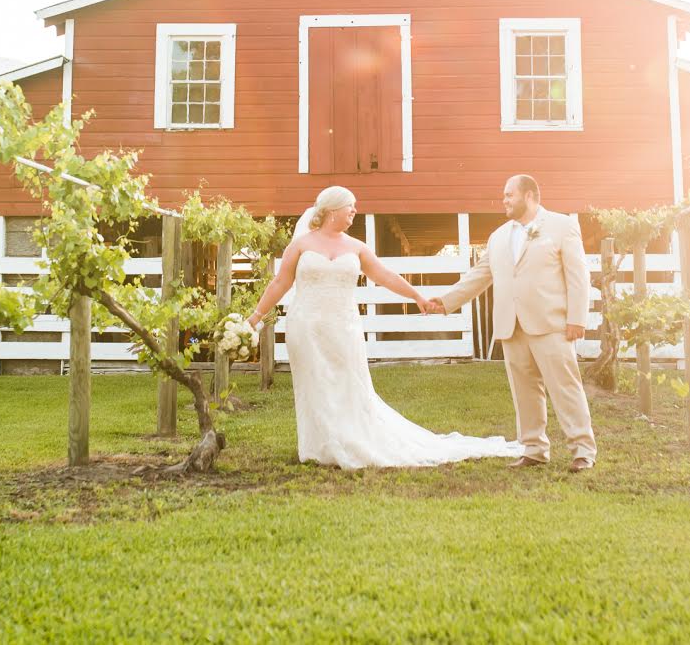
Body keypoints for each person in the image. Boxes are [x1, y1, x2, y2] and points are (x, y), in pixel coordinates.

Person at [246, 185, 522, 469]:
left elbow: (386, 276)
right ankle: (320, 445)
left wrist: (416, 296)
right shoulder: (301, 245)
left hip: (343, 326)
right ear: (332, 210)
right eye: (350, 206)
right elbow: (280, 282)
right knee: (314, 382)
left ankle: (350, 440)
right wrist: (255, 317)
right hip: (305, 326)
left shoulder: (356, 247)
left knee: (348, 383)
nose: (355, 211)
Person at [438, 175, 597, 472]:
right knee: (524, 391)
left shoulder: (562, 226)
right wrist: (445, 302)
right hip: (511, 325)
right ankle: (534, 448)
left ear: (529, 195)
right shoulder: (498, 236)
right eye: (504, 195)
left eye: (509, 195)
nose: (504, 200)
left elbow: (579, 275)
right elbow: (479, 275)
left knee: (565, 388)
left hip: (551, 323)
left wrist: (577, 318)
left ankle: (582, 450)